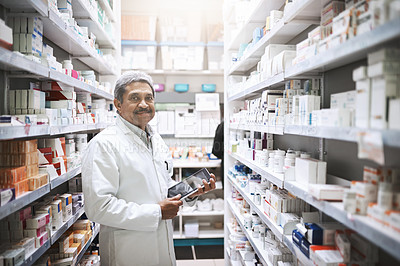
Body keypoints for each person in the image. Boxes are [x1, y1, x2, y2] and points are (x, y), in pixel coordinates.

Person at [82, 71, 216, 266]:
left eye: (149, 98)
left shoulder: (156, 139)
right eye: (134, 98)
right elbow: (98, 207)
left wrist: (191, 193)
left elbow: (163, 184)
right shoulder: (104, 144)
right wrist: (156, 213)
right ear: (118, 104)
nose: (144, 104)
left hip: (161, 246)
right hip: (127, 252)